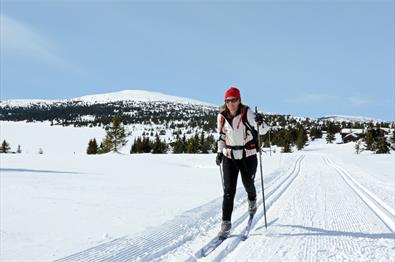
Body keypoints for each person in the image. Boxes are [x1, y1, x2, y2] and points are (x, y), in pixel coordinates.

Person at [215, 86, 269, 239]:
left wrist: (261, 121)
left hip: (248, 156)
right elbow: (221, 137)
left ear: (239, 100)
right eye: (228, 100)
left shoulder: (247, 113)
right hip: (229, 156)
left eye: (234, 100)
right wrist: (219, 153)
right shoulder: (221, 117)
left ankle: (252, 200)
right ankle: (225, 225)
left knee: (248, 185)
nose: (230, 103)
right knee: (228, 191)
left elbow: (264, 130)